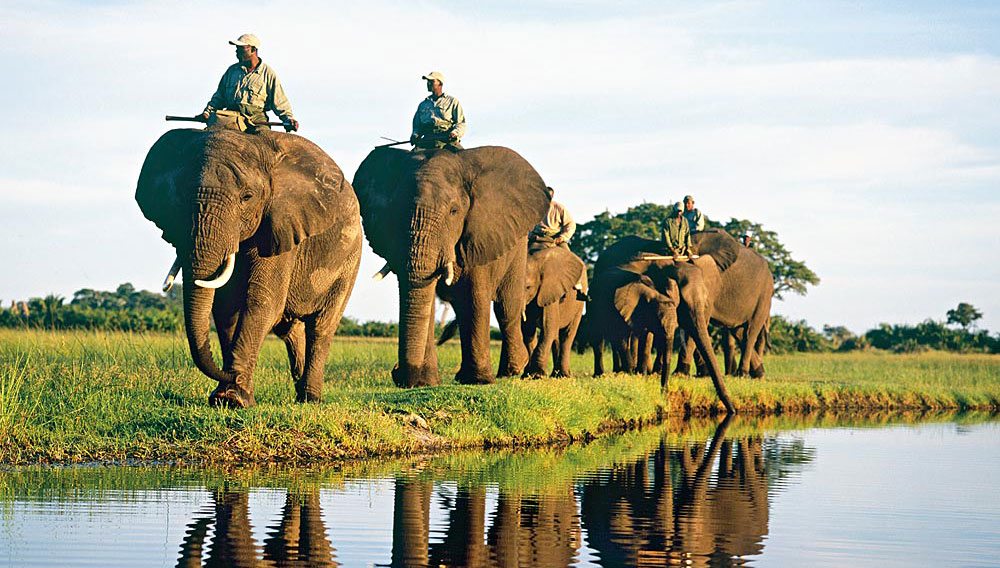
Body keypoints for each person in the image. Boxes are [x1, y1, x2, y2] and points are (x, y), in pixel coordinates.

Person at [200, 34, 299, 132]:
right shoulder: (231, 71)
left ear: (253, 50)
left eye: (241, 48)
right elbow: (219, 97)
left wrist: (288, 119)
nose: (237, 52)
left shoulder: (267, 73)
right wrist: (207, 113)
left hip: (256, 119)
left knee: (263, 140)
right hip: (231, 116)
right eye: (236, 49)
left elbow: (280, 101)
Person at [410, 71, 466, 150]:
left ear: (440, 83)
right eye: (428, 81)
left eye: (432, 81)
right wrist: (415, 135)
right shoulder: (422, 105)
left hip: (446, 139)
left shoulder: (452, 101)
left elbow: (461, 123)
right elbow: (417, 126)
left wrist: (455, 133)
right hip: (427, 140)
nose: (428, 83)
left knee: (463, 158)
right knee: (410, 159)